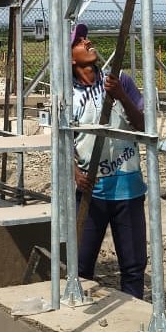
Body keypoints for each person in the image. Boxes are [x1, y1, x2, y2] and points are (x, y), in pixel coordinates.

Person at [71, 23, 148, 299]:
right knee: (80, 265)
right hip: (92, 191)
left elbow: (142, 125)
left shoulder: (120, 81)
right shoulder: (68, 96)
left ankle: (135, 314)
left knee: (133, 265)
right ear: (70, 57)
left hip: (128, 188)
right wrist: (73, 173)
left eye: (86, 36)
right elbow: (63, 140)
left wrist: (121, 97)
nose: (87, 41)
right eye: (79, 41)